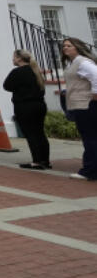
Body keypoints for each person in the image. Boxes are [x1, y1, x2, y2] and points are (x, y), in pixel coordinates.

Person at [4, 49, 50, 170]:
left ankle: (37, 161)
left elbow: (6, 86)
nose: (13, 59)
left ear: (19, 58)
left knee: (31, 134)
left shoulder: (17, 72)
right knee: (40, 133)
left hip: (24, 106)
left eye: (14, 57)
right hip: (39, 105)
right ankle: (45, 160)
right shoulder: (36, 71)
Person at [60, 37, 97, 181]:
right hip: (80, 104)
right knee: (91, 137)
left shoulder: (82, 62)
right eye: (64, 46)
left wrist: (95, 95)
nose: (65, 48)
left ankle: (89, 170)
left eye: (69, 45)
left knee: (90, 138)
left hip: (85, 104)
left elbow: (95, 76)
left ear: (77, 47)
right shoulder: (74, 63)